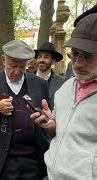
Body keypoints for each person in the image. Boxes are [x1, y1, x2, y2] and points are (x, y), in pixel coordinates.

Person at [30, 13, 97, 180]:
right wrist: (53, 127)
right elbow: (62, 136)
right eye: (74, 53)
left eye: (87, 56)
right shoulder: (65, 89)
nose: (77, 63)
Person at [0, 40, 50, 180]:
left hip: (34, 162)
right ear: (3, 60)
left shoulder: (40, 84)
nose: (17, 71)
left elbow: (49, 117)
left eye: (22, 66)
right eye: (13, 66)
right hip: (0, 163)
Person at [34, 42, 64, 108]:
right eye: (39, 57)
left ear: (53, 61)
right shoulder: (26, 79)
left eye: (46, 57)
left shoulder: (61, 82)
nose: (42, 60)